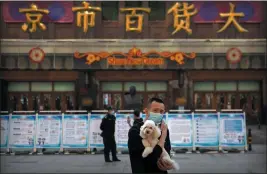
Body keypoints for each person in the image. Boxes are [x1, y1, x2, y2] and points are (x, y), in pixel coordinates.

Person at [128, 97, 172, 173]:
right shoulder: (136, 131)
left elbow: (167, 152)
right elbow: (149, 159)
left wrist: (167, 164)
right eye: (155, 110)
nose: (158, 114)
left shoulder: (163, 129)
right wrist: (162, 138)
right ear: (146, 111)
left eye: (161, 111)